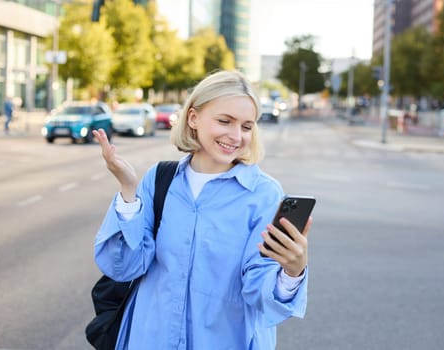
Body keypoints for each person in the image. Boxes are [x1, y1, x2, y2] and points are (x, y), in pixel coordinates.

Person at [92, 70, 313, 349]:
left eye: (247, 126)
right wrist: (127, 192)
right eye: (225, 121)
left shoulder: (264, 195)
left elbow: (260, 290)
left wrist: (292, 273)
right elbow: (124, 267)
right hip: (149, 337)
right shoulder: (159, 179)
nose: (236, 136)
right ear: (193, 118)